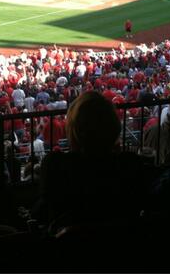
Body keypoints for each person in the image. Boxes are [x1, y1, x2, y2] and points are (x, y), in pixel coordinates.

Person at [34, 91, 145, 234]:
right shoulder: (130, 165)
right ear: (113, 126)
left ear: (74, 129)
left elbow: (43, 213)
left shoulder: (56, 165)